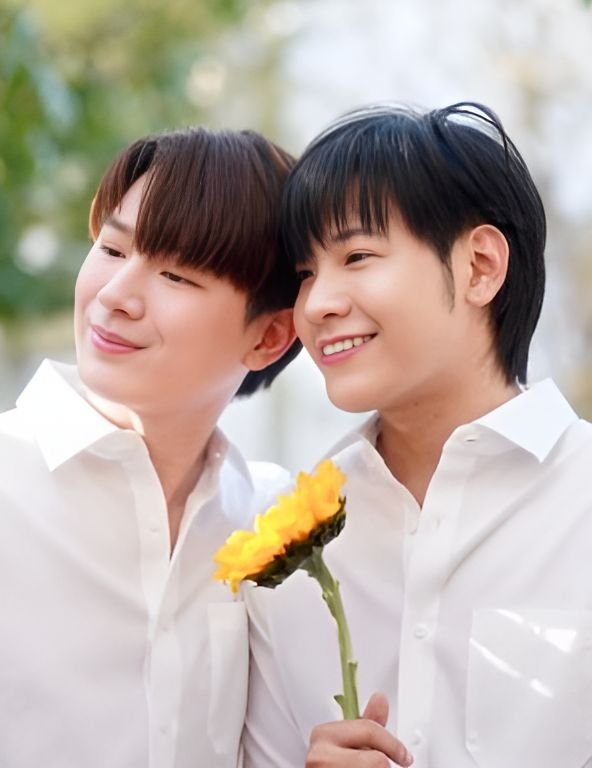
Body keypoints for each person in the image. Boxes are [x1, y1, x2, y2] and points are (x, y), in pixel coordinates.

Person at [244, 102, 592, 768]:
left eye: (357, 255)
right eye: (306, 274)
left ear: (480, 266)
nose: (317, 305)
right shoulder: (284, 547)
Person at [0, 126, 300, 768]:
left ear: (270, 337)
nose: (114, 296)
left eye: (175, 275)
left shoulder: (275, 523)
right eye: (111, 249)